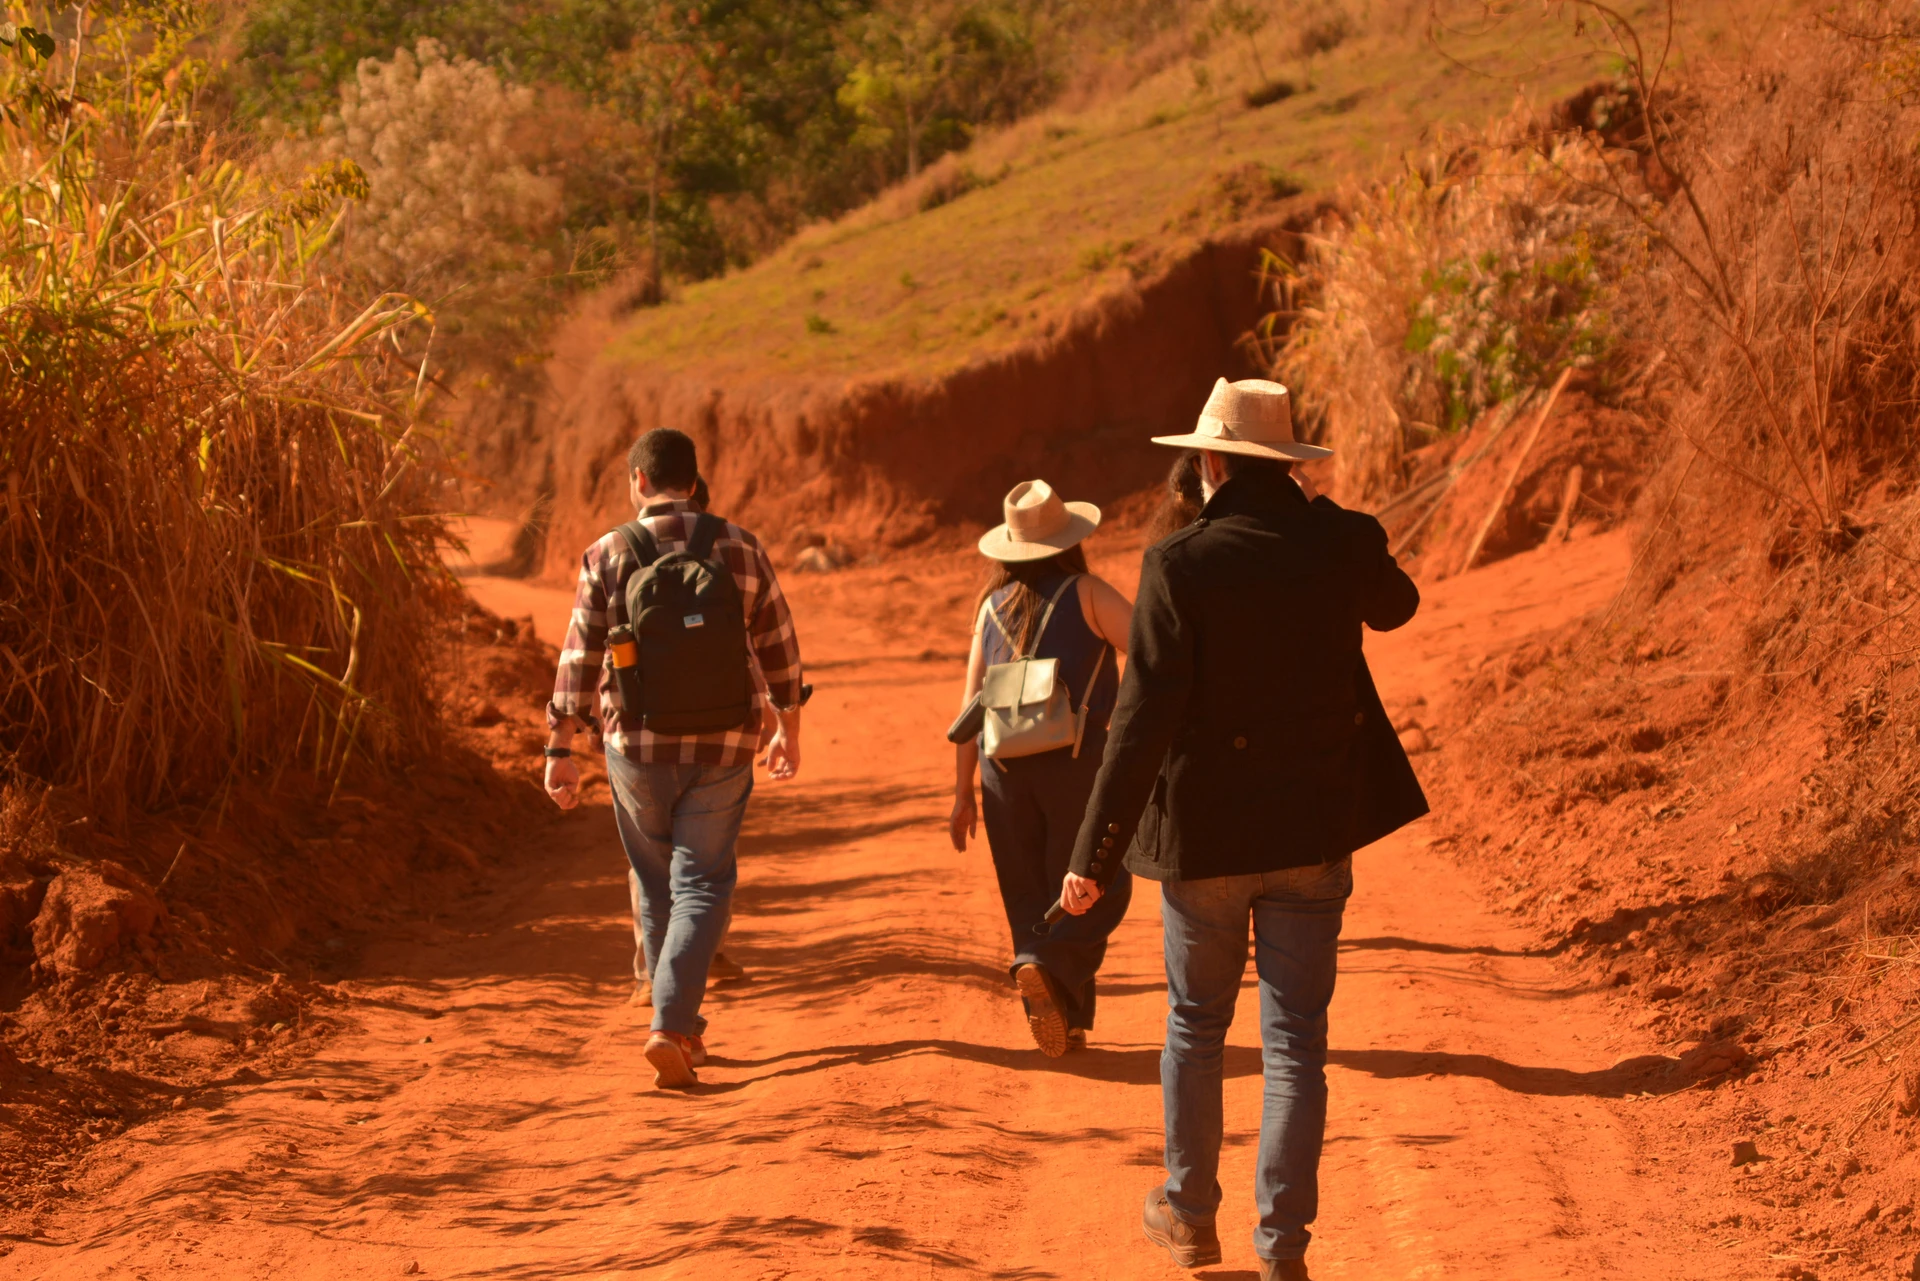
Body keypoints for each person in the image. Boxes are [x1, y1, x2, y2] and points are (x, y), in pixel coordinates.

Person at [1060, 379, 1427, 1280]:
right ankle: (1283, 1251)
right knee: (1297, 1037)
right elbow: (1399, 603)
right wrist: (1331, 518)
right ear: (1287, 465)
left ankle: (1189, 1214)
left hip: (1207, 844)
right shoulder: (1337, 543)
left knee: (1195, 1022)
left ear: (1211, 460)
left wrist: (1092, 856)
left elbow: (1138, 725)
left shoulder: (1181, 563)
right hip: (1312, 834)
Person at [544, 429, 804, 1089]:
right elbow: (779, 649)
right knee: (704, 881)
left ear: (637, 480)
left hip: (634, 745)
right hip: (723, 745)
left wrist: (560, 748)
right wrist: (788, 730)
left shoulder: (606, 553)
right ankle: (673, 1023)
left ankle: (674, 1020)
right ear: (694, 479)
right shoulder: (740, 547)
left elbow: (577, 658)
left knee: (655, 877)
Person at [950, 480, 1135, 1056]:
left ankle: (1068, 1017)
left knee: (1027, 891)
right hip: (1078, 765)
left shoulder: (988, 608)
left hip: (1001, 766)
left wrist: (962, 793)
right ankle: (1044, 966)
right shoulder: (1089, 593)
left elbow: (969, 707)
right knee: (1097, 883)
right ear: (1069, 539)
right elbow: (1157, 651)